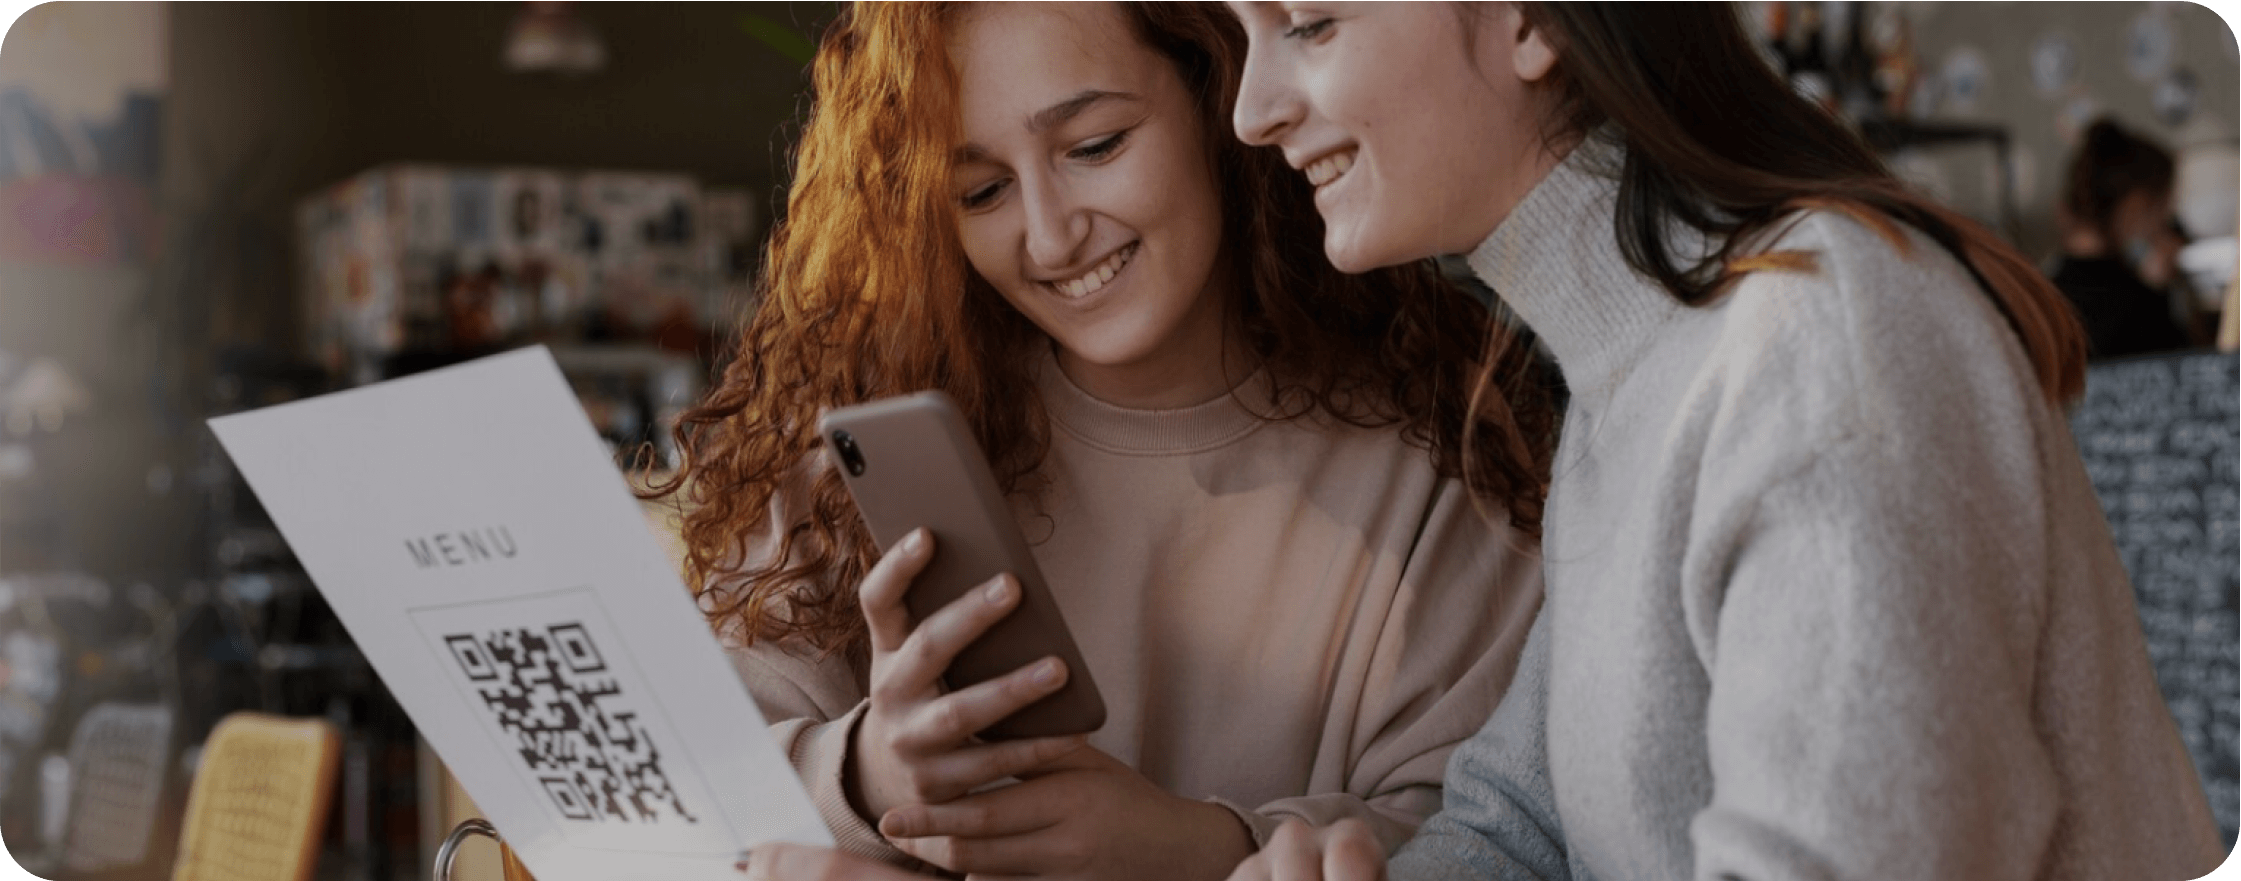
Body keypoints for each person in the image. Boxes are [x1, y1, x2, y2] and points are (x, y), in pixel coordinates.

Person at [1220, 3, 2225, 880]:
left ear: (1538, 20)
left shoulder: (1818, 340)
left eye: (1309, 24)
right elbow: (1521, 825)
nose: (1251, 110)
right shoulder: (1632, 368)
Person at [665, 3, 1552, 879]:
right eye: (981, 191)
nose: (1050, 236)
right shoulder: (851, 446)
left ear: (1219, 103)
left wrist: (1190, 846)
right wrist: (866, 772)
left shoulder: (1452, 453)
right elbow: (659, 799)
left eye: (1095, 147)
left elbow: (1498, 834)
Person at [2050, 118, 2195, 360]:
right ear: (2137, 205)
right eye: (2162, 208)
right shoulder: (2137, 308)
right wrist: (2164, 292)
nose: (2165, 222)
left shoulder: (2042, 294)